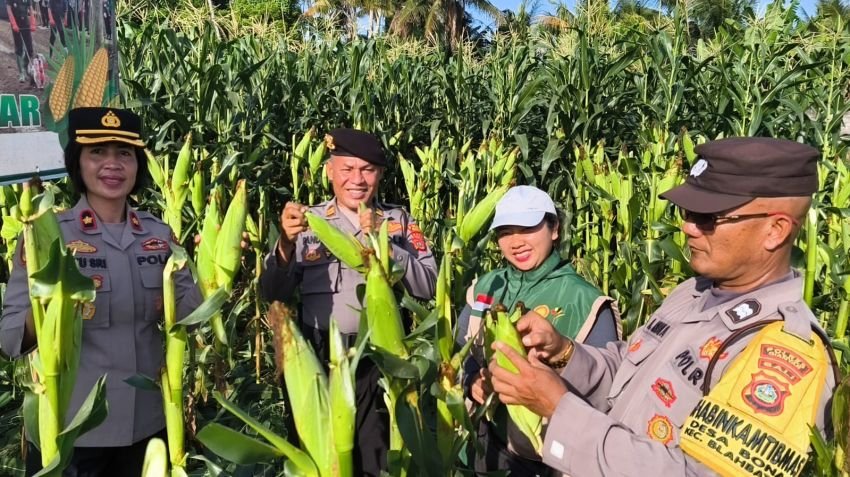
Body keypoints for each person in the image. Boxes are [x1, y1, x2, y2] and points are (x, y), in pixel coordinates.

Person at [487, 137, 838, 476]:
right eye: (688, 212)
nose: (687, 227)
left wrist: (559, 410)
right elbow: (628, 373)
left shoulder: (783, 353)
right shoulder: (692, 293)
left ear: (775, 230)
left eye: (708, 217)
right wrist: (564, 353)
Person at [0, 107, 202, 476]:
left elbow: (193, 314)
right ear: (77, 163)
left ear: (138, 165)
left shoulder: (159, 237)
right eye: (98, 153)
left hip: (148, 424)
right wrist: (48, 302)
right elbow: (11, 339)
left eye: (124, 154)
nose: (113, 165)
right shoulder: (49, 237)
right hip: (72, 431)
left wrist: (202, 261)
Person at [260, 128, 438, 476]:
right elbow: (273, 293)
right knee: (320, 457)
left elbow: (429, 285)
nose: (357, 179)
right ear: (330, 171)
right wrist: (283, 244)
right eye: (347, 169)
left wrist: (386, 245)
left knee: (375, 458)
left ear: (380, 175)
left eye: (367, 170)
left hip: (380, 360)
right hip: (320, 355)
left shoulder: (399, 222)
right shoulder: (307, 223)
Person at [458, 185, 620, 476]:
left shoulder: (587, 301)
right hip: (482, 443)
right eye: (506, 232)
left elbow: (605, 390)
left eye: (527, 228)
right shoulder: (485, 288)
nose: (516, 241)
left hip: (544, 458)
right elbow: (460, 349)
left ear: (554, 229)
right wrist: (472, 381)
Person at [7, 0, 36, 84]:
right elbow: (9, 11)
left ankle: (25, 67)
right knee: (19, 48)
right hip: (16, 24)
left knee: (30, 49)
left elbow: (31, 9)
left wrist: (33, 23)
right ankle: (21, 73)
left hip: (25, 24)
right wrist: (13, 24)